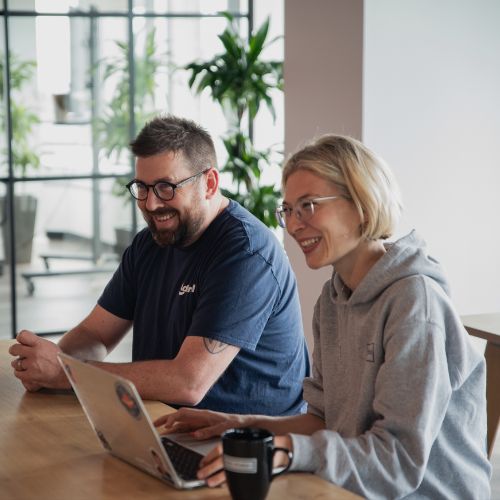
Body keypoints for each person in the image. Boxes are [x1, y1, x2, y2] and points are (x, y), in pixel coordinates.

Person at [154, 134, 492, 498]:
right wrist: (238, 425)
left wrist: (283, 452)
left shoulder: (415, 302)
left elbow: (398, 460)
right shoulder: (332, 299)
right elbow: (324, 419)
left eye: (309, 206)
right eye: (289, 210)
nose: (295, 224)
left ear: (362, 203)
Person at [9, 115, 309, 416]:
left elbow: (188, 382)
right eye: (142, 187)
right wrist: (48, 364)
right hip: (163, 421)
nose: (151, 204)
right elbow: (96, 334)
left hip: (245, 443)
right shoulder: (150, 244)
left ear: (210, 183)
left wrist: (66, 373)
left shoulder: (245, 253)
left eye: (166, 187)